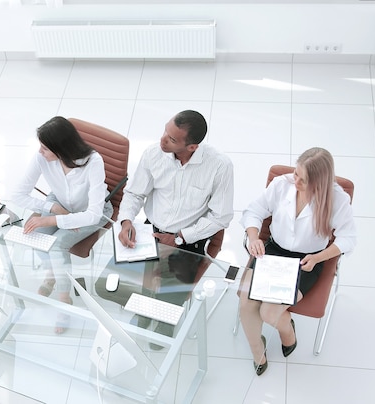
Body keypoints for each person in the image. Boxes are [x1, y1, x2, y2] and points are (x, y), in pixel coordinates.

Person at [115, 109, 234, 347]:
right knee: (135, 278)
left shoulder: (219, 166)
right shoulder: (153, 154)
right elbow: (135, 193)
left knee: (171, 288)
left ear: (191, 147)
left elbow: (221, 217)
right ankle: (148, 306)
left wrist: (180, 238)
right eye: (165, 131)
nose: (162, 140)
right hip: (153, 231)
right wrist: (126, 220)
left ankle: (165, 318)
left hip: (189, 239)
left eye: (171, 139)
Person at [239, 147, 356, 375]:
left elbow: (348, 238)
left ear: (320, 183)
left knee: (269, 313)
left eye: (304, 180)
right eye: (296, 174)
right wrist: (254, 237)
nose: (296, 182)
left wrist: (319, 257)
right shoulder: (282, 184)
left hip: (307, 261)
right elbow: (254, 211)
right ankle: (258, 353)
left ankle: (288, 334)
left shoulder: (337, 199)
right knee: (246, 305)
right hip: (271, 251)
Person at [11, 116, 113, 334]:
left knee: (57, 246)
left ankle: (64, 299)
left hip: (92, 212)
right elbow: (17, 195)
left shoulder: (94, 162)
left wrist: (52, 220)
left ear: (61, 149)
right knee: (32, 233)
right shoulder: (42, 159)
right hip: (59, 204)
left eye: (45, 148)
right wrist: (52, 208)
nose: (40, 152)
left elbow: (93, 215)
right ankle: (52, 274)